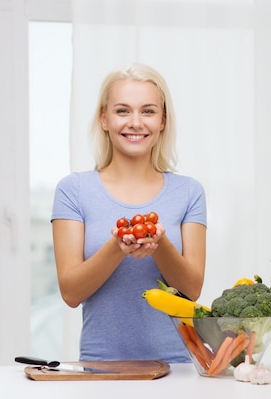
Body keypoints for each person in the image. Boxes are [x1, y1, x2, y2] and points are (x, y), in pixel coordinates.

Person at [50, 63, 207, 363]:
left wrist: (160, 245)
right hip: (101, 367)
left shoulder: (189, 192)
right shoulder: (73, 190)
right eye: (123, 111)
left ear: (163, 121)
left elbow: (192, 289)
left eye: (148, 111)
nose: (136, 122)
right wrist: (117, 247)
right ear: (104, 119)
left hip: (177, 367)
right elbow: (71, 293)